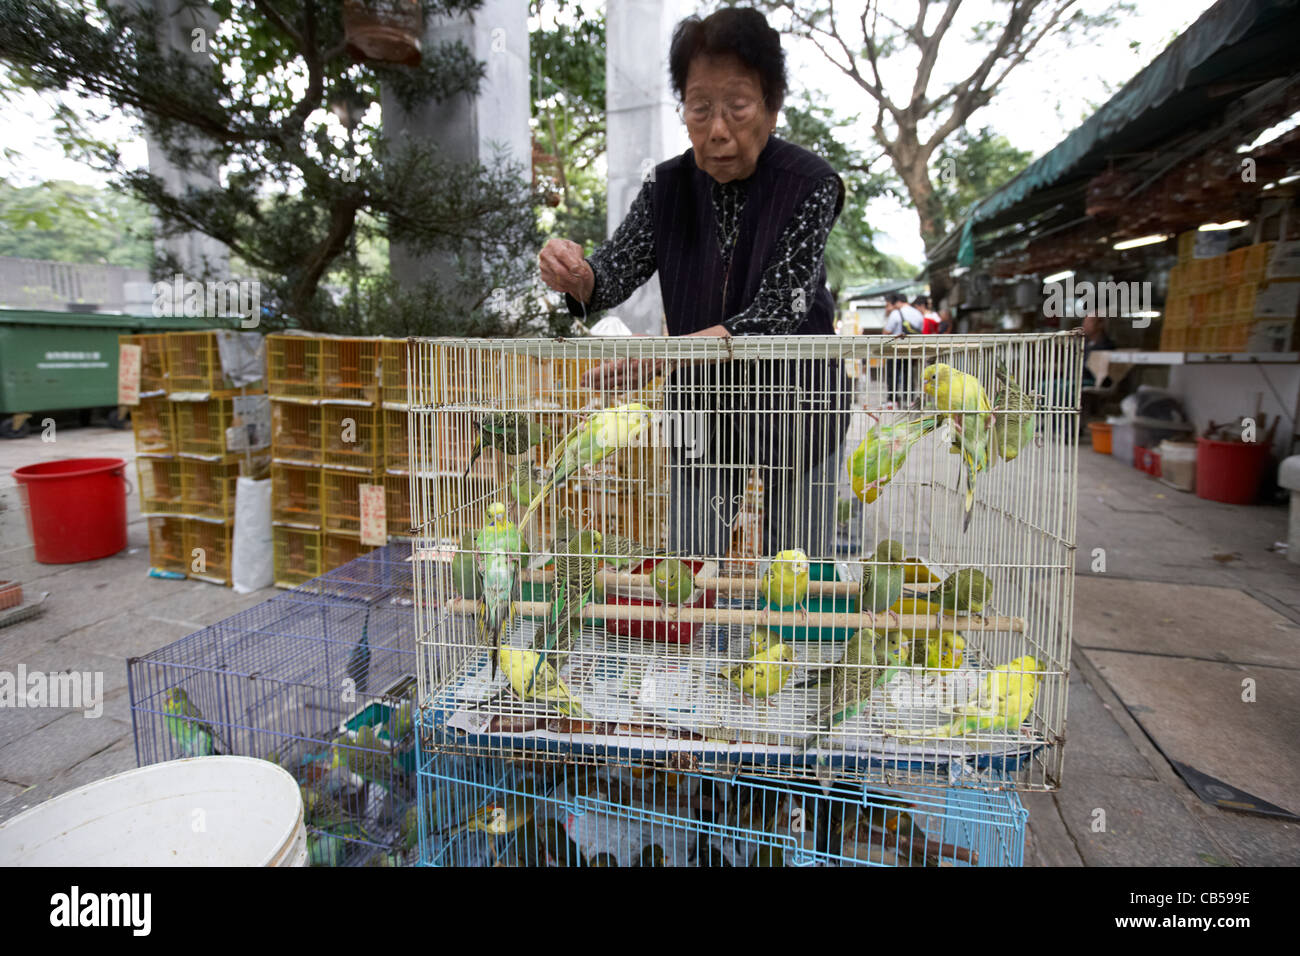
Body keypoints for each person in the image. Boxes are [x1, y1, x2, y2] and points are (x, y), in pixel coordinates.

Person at [536, 7, 849, 560]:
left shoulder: (811, 184)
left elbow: (777, 313)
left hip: (801, 404)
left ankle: (789, 641)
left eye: (737, 106)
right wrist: (576, 274)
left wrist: (660, 357)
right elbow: (609, 274)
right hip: (702, 411)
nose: (718, 130)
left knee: (798, 573)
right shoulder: (667, 187)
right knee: (692, 570)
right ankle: (706, 644)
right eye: (700, 108)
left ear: (773, 109)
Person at [881, 293, 923, 405]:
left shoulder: (896, 313)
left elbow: (887, 331)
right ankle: (909, 399)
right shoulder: (918, 313)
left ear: (899, 302)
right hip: (910, 349)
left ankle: (893, 400)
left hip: (895, 349)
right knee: (908, 373)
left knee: (892, 373)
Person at [1082, 313, 1116, 387]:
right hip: (1077, 380)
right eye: (1084, 321)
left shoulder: (1106, 346)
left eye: (1089, 322)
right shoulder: (1083, 344)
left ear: (1100, 324)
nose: (1084, 325)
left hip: (1092, 382)